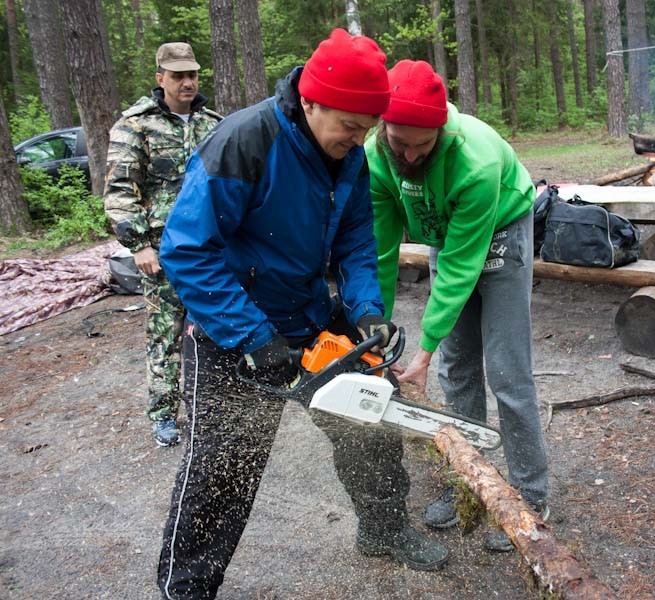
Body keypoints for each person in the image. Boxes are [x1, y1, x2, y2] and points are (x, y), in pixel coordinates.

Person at [156, 30, 449, 599]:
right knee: (223, 466)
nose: (357, 139)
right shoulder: (245, 141)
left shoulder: (349, 157)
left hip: (311, 313)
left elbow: (358, 242)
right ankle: (186, 587)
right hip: (231, 326)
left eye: (366, 130)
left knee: (369, 422)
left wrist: (365, 312)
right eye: (349, 126)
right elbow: (186, 250)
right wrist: (251, 335)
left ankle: (384, 529)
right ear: (312, 101)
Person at [365, 60, 549, 553]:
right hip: (445, 231)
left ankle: (529, 494)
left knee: (508, 371)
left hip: (502, 230)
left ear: (441, 131)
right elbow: (381, 252)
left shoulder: (476, 161)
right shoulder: (376, 154)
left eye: (421, 146)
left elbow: (460, 269)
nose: (408, 154)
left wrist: (422, 350)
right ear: (384, 128)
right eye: (399, 142)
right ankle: (468, 478)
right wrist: (374, 329)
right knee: (458, 367)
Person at [104, 42, 222, 447]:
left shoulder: (213, 123)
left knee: (216, 328)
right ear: (160, 79)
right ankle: (164, 414)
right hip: (164, 251)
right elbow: (120, 192)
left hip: (211, 248)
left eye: (192, 74)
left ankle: (215, 407)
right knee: (165, 333)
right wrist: (139, 245)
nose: (187, 82)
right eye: (177, 76)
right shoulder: (135, 126)